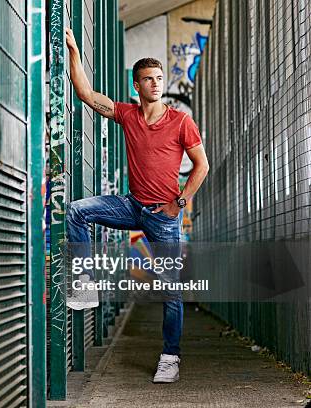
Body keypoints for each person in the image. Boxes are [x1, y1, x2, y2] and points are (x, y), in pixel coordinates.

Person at [64, 27, 209, 383]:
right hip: (132, 206)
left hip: (164, 214)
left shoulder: (181, 121)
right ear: (137, 86)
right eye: (149, 79)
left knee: (171, 289)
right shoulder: (127, 115)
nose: (156, 84)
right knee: (76, 211)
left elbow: (202, 165)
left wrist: (180, 202)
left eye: (160, 78)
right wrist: (72, 48)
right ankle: (84, 285)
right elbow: (84, 93)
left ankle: (170, 357)